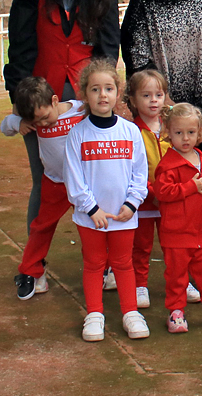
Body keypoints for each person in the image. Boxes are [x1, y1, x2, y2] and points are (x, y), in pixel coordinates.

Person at [4, 0, 118, 239]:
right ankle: (34, 264)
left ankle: (104, 260)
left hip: (85, 100)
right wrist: (22, 102)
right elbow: (20, 49)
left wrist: (105, 99)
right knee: (46, 180)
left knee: (97, 177)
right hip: (43, 98)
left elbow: (107, 53)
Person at [63, 59, 150, 342]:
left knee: (124, 264)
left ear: (118, 93)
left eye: (109, 88)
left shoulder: (130, 131)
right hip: (91, 218)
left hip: (124, 215)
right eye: (95, 89)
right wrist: (91, 208)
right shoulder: (77, 134)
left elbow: (140, 173)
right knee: (94, 264)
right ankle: (95, 314)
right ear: (84, 94)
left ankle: (130, 313)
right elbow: (73, 178)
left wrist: (131, 204)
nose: (102, 95)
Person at [0, 77, 84, 300]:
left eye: (46, 117)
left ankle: (106, 268)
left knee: (95, 227)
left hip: (85, 183)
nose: (43, 125)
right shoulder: (33, 120)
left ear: (55, 100)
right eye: (37, 122)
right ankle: (32, 271)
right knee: (41, 227)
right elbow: (4, 126)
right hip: (55, 182)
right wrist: (17, 124)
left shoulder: (80, 109)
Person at [153, 104, 202, 334]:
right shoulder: (168, 165)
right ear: (169, 132)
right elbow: (162, 193)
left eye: (190, 132)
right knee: (176, 276)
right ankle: (176, 312)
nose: (185, 138)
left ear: (200, 133)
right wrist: (189, 187)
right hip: (176, 233)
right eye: (178, 133)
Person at [124, 69, 170, 312]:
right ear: (132, 100)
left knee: (172, 245)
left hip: (171, 201)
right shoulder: (131, 132)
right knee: (140, 247)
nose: (154, 100)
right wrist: (153, 194)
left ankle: (179, 282)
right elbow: (132, 170)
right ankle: (140, 285)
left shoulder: (173, 126)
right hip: (143, 202)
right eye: (146, 95)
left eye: (159, 94)